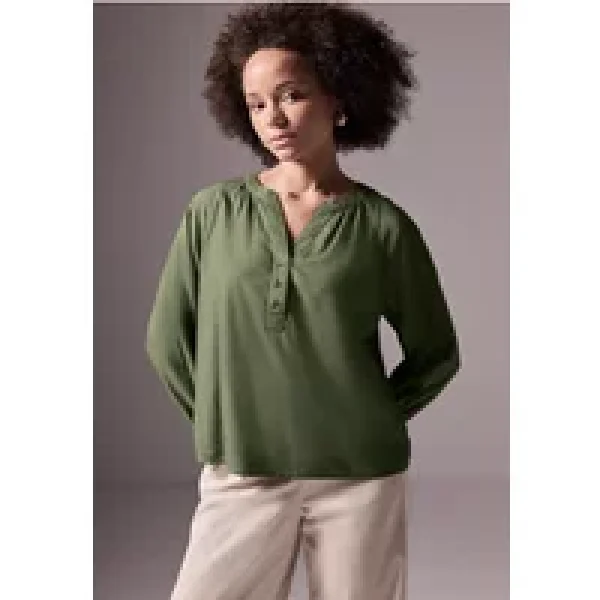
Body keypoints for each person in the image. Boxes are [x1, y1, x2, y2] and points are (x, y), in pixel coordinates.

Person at [145, 2, 461, 599]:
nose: (274, 118)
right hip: (244, 473)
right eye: (257, 104)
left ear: (338, 100)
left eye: (292, 95)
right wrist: (227, 422)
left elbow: (437, 351)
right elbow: (166, 342)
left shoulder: (382, 226)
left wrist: (366, 417)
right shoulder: (212, 214)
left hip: (360, 479)